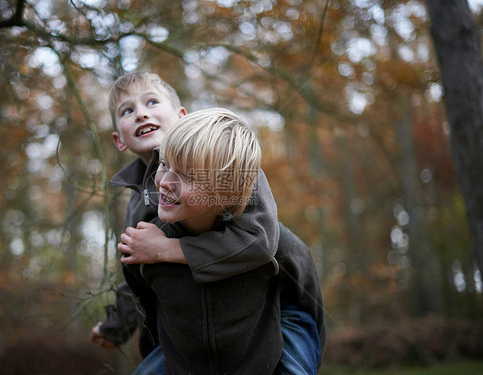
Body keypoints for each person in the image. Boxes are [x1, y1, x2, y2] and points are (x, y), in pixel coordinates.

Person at [90, 72, 325, 374]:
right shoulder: (139, 204)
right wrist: (116, 325)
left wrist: (168, 249)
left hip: (259, 319)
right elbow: (137, 274)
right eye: (127, 111)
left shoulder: (229, 161)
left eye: (151, 101)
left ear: (181, 116)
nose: (141, 113)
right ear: (118, 140)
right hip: (187, 335)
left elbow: (264, 242)